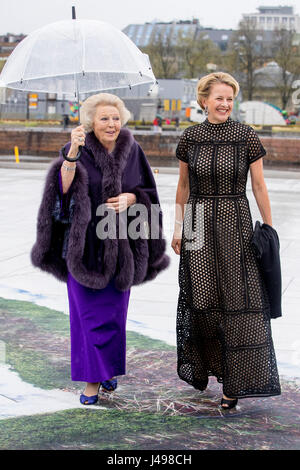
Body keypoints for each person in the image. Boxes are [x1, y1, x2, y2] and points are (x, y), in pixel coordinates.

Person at [31, 93, 169, 405]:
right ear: (91, 122)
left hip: (122, 247)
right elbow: (61, 192)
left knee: (115, 316)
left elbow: (148, 190)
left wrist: (132, 199)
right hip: (82, 247)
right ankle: (92, 382)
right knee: (86, 317)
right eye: (104, 118)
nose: (111, 124)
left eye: (116, 118)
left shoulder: (133, 150)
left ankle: (108, 370)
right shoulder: (75, 149)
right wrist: (73, 152)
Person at [171, 72, 281, 410]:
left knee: (239, 302)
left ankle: (235, 385)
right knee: (202, 300)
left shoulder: (246, 135)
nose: (225, 104)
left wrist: (269, 229)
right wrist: (179, 228)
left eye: (230, 99)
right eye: (219, 98)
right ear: (204, 100)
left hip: (236, 223)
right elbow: (184, 187)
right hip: (199, 223)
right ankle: (211, 368)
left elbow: (259, 186)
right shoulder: (190, 137)